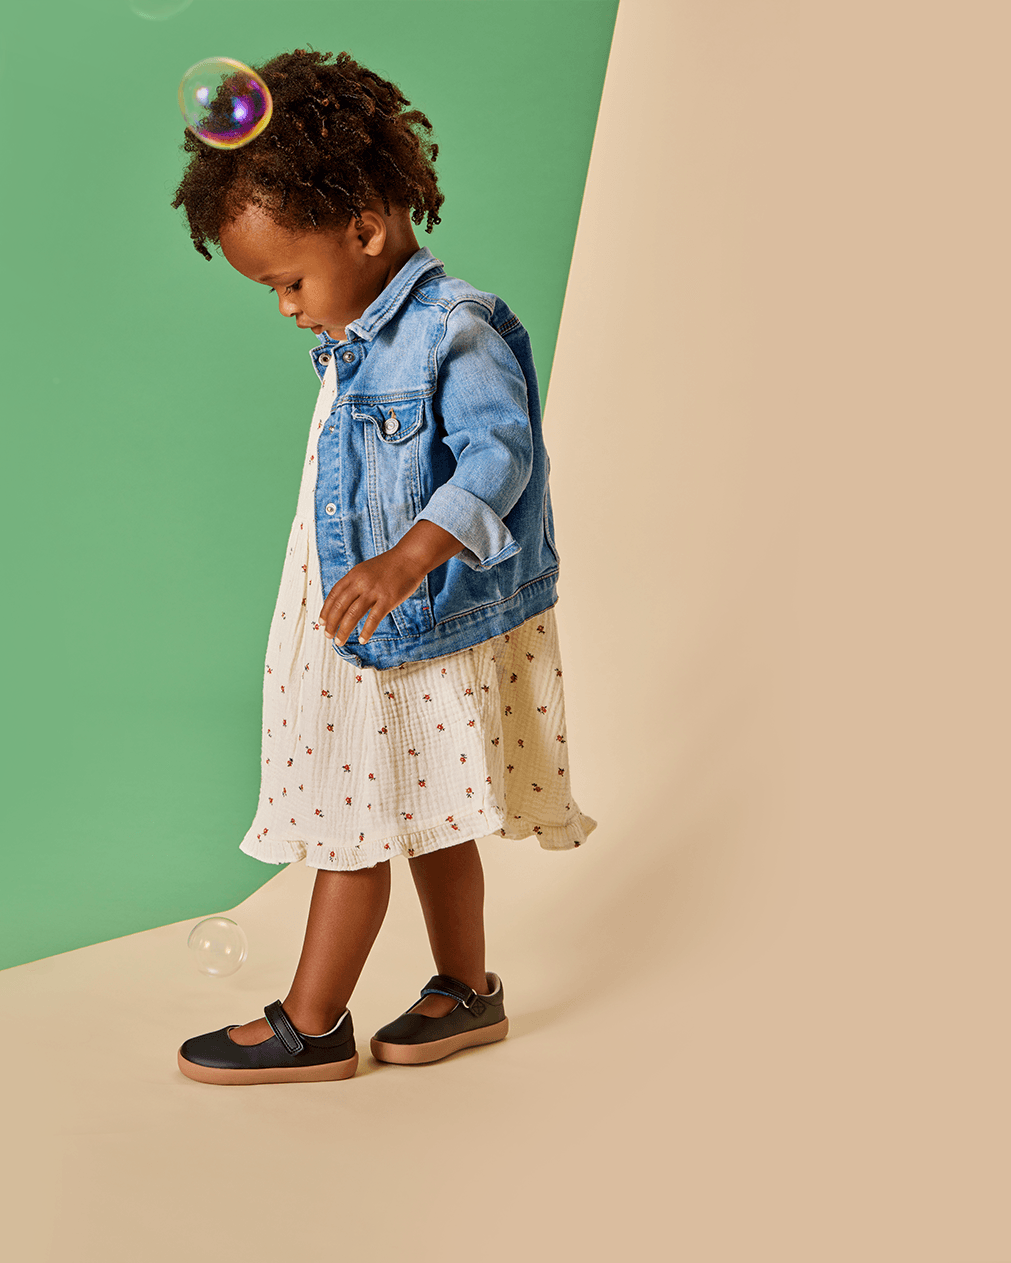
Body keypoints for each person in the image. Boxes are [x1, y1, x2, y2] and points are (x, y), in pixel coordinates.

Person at [170, 49, 597, 1085]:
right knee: (430, 807)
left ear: (364, 230)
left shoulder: (453, 329)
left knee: (347, 819)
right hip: (362, 617)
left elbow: (500, 455)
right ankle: (467, 990)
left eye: (289, 281)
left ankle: (312, 1023)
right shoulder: (360, 334)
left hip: (411, 618)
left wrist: (410, 558)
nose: (285, 307)